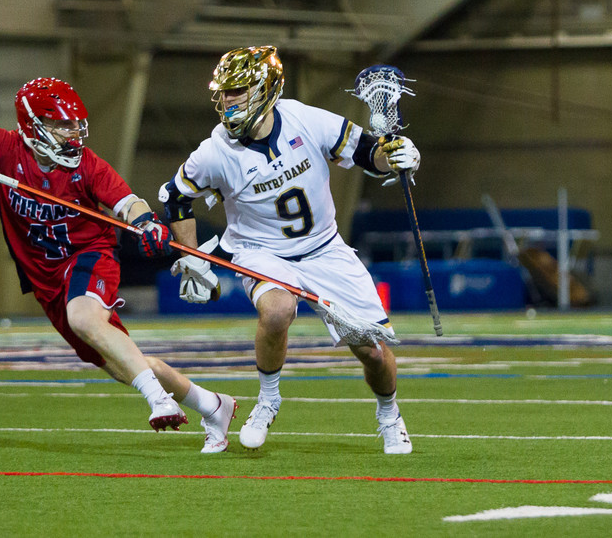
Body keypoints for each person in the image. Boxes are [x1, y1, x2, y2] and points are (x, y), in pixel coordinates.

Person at [0, 77, 237, 453]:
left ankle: (159, 400)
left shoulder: (87, 165)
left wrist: (147, 224)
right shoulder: (7, 147)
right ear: (34, 126)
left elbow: (129, 203)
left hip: (89, 256)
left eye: (76, 123)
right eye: (63, 124)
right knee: (126, 363)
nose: (74, 132)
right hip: (45, 279)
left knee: (84, 318)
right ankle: (213, 405)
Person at [160, 46, 420, 454]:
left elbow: (368, 153)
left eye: (237, 90)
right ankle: (268, 399)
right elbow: (175, 197)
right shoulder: (215, 151)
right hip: (260, 251)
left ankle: (389, 415)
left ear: (265, 88)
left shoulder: (304, 119)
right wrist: (190, 257)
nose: (228, 100)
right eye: (224, 92)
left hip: (324, 247)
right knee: (278, 310)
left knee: (371, 351)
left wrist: (398, 156)